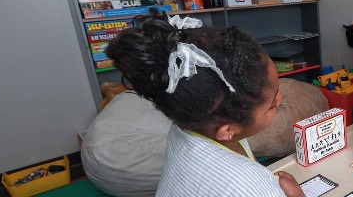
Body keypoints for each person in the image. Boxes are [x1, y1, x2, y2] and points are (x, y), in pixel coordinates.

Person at [106, 12, 304, 197]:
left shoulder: (184, 129)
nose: (280, 99)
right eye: (271, 103)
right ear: (227, 129)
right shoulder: (248, 186)